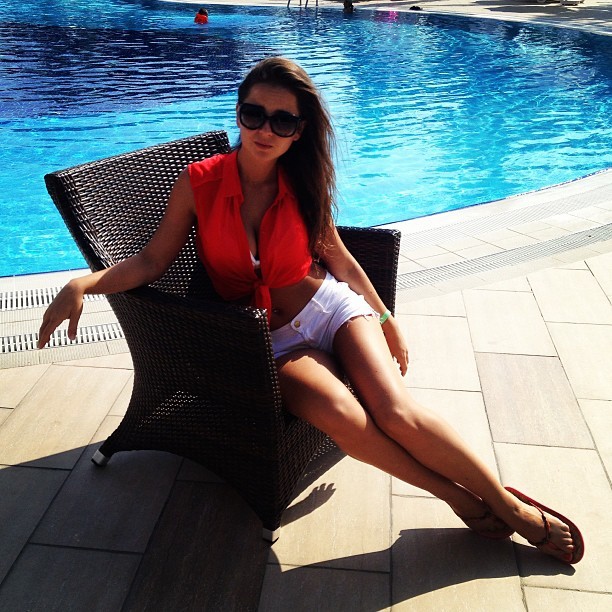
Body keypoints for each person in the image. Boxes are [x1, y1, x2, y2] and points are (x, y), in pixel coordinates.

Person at [38, 57, 583, 565]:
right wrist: (84, 283)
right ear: (238, 112)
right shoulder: (199, 183)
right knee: (344, 418)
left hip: (330, 307)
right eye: (254, 113)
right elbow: (152, 261)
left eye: (283, 120)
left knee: (395, 412)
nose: (265, 129)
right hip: (268, 340)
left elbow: (338, 258)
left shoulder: (303, 180)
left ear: (299, 130)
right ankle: (456, 498)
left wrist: (386, 320)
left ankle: (510, 507)